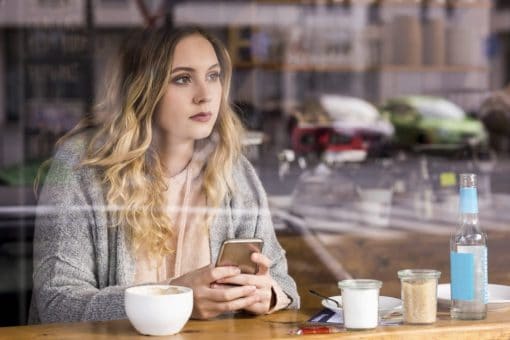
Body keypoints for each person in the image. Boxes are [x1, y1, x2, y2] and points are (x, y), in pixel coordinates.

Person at [28, 26, 299, 324]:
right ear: (142, 89)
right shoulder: (81, 165)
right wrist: (175, 298)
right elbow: (57, 304)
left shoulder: (232, 169)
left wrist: (267, 295)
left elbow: (284, 285)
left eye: (213, 76)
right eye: (182, 79)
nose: (205, 94)